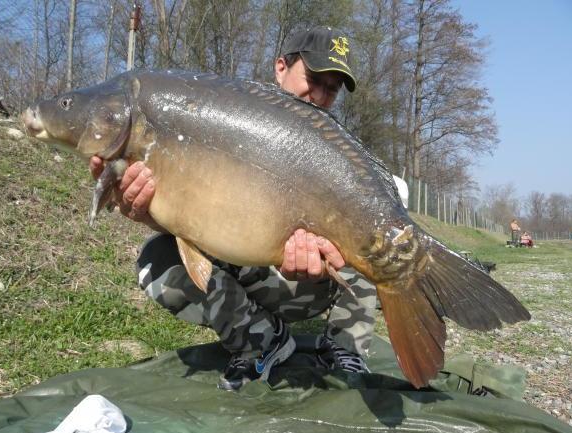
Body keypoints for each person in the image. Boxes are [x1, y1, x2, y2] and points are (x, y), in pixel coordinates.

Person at [90, 26, 376, 390]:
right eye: (315, 79)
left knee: (371, 229)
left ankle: (345, 346)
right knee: (157, 258)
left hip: (314, 282)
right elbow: (195, 220)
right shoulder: (223, 119)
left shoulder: (337, 151)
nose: (318, 95)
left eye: (331, 89)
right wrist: (148, 213)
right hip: (246, 267)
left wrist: (324, 265)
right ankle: (262, 340)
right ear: (280, 67)